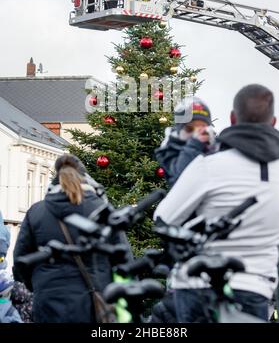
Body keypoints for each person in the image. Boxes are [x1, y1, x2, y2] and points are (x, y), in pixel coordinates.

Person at [154, 84, 279, 322]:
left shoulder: (207, 166)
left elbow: (165, 218)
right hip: (255, 287)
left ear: (232, 118)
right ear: (273, 122)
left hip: (197, 284)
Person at [13, 154, 127, 323]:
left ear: (56, 178)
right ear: (85, 177)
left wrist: (36, 285)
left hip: (48, 301)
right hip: (93, 301)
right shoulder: (102, 210)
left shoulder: (37, 212)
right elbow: (123, 257)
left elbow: (20, 259)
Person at [155, 98, 215, 187]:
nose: (196, 134)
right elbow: (179, 179)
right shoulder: (169, 149)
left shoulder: (214, 146)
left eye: (202, 129)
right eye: (189, 129)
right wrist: (194, 145)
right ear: (179, 130)